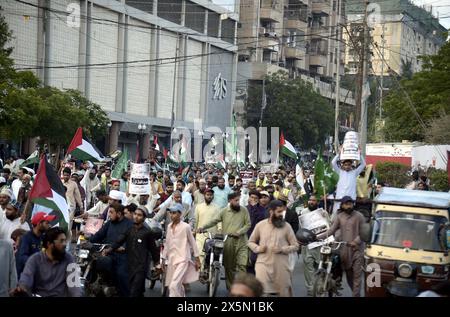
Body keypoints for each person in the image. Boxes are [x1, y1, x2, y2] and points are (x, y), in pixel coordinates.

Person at [197, 192, 251, 289]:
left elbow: (248, 224)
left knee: (242, 265)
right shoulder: (224, 211)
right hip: (228, 242)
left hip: (242, 242)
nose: (238, 202)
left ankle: (242, 289)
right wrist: (202, 227)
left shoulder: (244, 210)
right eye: (236, 200)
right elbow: (214, 221)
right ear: (230, 201)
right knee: (229, 267)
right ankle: (231, 288)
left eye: (239, 200)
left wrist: (239, 232)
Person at [11, 227, 82, 297]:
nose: (65, 244)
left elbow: (74, 285)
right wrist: (22, 288)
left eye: (65, 241)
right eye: (61, 241)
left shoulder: (69, 259)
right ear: (49, 244)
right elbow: (26, 279)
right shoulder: (35, 259)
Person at [248, 200, 299, 296]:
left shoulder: (286, 226)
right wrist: (258, 248)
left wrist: (282, 249)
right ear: (271, 211)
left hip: (281, 266)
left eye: (283, 212)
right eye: (279, 212)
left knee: (284, 292)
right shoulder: (260, 225)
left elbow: (296, 246)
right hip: (262, 264)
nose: (282, 214)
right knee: (262, 291)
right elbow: (250, 242)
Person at [105, 206, 160, 297]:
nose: (136, 217)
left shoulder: (147, 233)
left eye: (139, 215)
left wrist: (157, 264)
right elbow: (119, 241)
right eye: (135, 214)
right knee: (132, 290)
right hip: (129, 266)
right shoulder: (129, 230)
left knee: (134, 291)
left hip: (141, 267)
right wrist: (108, 250)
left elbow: (153, 250)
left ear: (144, 218)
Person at [317, 196, 365, 297]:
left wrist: (356, 241)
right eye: (346, 204)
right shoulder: (340, 217)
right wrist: (317, 237)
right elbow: (331, 231)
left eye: (350, 204)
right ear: (342, 205)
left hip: (357, 251)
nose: (349, 206)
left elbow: (363, 232)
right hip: (344, 251)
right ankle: (356, 293)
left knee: (357, 276)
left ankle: (356, 295)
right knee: (349, 277)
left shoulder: (359, 216)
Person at [89, 203, 133, 297]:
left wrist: (123, 247)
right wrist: (88, 239)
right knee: (95, 264)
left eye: (111, 212)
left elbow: (130, 239)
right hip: (108, 253)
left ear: (119, 214)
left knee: (121, 274)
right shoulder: (109, 223)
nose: (109, 215)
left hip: (122, 256)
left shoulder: (129, 224)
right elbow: (99, 234)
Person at [162, 204, 201, 297]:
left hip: (183, 259)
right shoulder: (169, 226)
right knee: (177, 285)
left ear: (180, 214)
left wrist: (197, 259)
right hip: (172, 259)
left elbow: (193, 243)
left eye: (174, 213)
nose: (171, 215)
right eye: (170, 213)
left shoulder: (186, 227)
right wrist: (163, 258)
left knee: (173, 286)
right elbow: (167, 243)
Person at [299, 195, 331, 296]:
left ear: (317, 202)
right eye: (310, 200)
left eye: (314, 200)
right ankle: (310, 289)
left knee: (320, 267)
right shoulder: (303, 213)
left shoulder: (323, 213)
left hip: (319, 245)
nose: (311, 202)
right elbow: (301, 229)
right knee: (308, 267)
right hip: (307, 245)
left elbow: (328, 227)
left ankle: (320, 288)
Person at [15, 212, 55, 279]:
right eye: (47, 223)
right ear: (39, 224)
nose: (49, 225)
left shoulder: (44, 237)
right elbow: (22, 257)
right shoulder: (26, 237)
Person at [331, 151, 366, 217]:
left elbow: (363, 164)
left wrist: (360, 154)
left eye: (349, 165)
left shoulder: (355, 172)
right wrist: (339, 153)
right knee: (337, 215)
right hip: (340, 198)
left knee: (349, 216)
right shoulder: (340, 172)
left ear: (351, 165)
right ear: (343, 165)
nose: (347, 166)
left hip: (350, 198)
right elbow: (333, 163)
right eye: (345, 165)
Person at [194, 188, 220, 270]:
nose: (209, 196)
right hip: (200, 234)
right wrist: (195, 232)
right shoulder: (198, 207)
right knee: (200, 253)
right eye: (207, 195)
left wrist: (220, 229)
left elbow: (219, 221)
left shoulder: (217, 207)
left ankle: (211, 272)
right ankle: (201, 272)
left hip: (213, 235)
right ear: (204, 196)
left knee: (212, 254)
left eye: (211, 195)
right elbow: (196, 221)